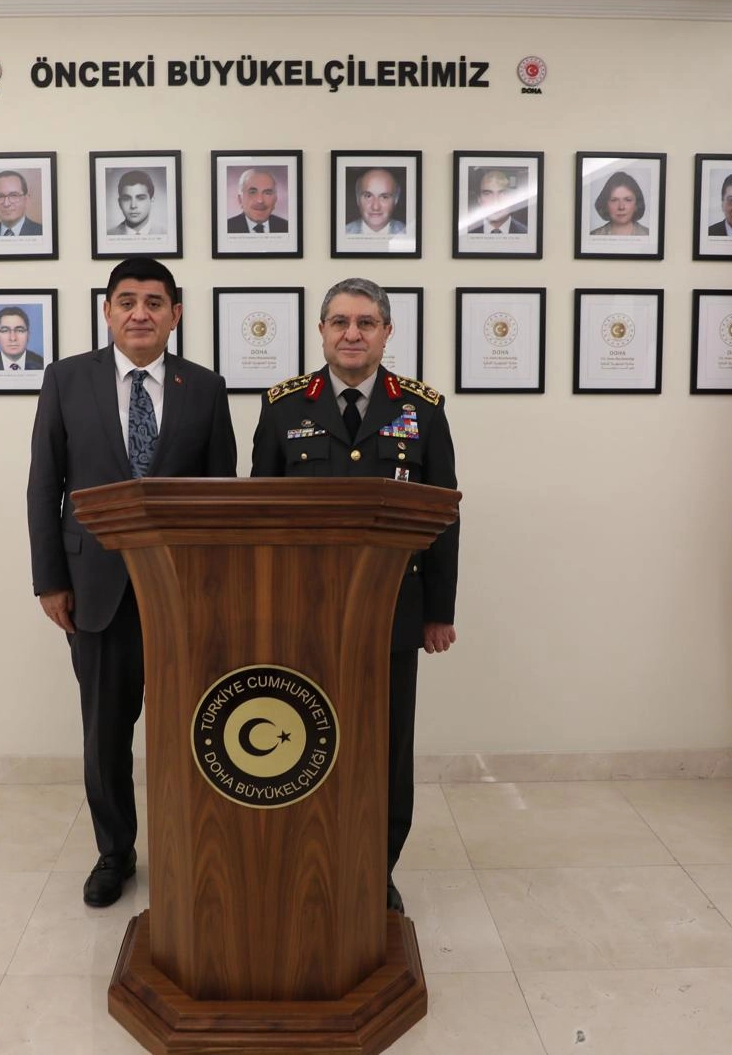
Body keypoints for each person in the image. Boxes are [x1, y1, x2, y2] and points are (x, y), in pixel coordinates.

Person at [27, 257, 237, 907]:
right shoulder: (67, 379)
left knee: (190, 729)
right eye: (127, 301)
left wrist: (219, 591)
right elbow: (45, 484)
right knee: (105, 733)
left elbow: (222, 496)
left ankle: (187, 845)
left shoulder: (205, 387)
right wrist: (50, 580)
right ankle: (114, 853)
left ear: (176, 314)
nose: (140, 313)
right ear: (107, 311)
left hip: (183, 592)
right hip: (95, 589)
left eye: (154, 302)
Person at [249, 277, 459, 915]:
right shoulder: (284, 407)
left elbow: (444, 518)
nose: (352, 333)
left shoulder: (421, 409)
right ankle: (307, 855)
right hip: (301, 612)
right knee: (306, 737)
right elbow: (257, 518)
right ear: (321, 331)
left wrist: (438, 613)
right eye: (339, 321)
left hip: (393, 612)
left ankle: (376, 865)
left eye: (366, 322)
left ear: (387, 333)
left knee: (386, 745)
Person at [344, 167, 406, 235]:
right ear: (358, 199)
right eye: (368, 196)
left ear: (396, 200)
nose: (375, 207)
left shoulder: (409, 234)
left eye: (384, 197)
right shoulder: (342, 233)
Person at [226, 167, 288, 234]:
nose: (260, 200)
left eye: (267, 193)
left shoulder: (287, 227)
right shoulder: (226, 228)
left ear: (275, 199)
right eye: (252, 192)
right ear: (240, 199)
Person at [466, 168, 527, 235]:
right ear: (479, 199)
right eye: (487, 193)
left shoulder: (526, 233)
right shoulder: (466, 232)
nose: (496, 202)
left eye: (503, 193)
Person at [0, 170, 43, 237]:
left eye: (14, 195)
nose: (6, 204)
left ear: (26, 200)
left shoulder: (42, 232)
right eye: (0, 196)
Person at [0, 305, 45, 370]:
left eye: (19, 330)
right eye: (5, 330)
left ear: (28, 335)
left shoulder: (42, 364)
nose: (13, 338)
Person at [589, 171, 649, 236]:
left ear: (637, 204)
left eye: (628, 200)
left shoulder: (649, 234)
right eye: (614, 200)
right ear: (605, 205)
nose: (621, 207)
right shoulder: (593, 235)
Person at [107, 170, 161, 235]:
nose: (133, 206)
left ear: (151, 200)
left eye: (141, 198)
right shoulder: (108, 235)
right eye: (126, 199)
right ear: (119, 203)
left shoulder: (167, 234)